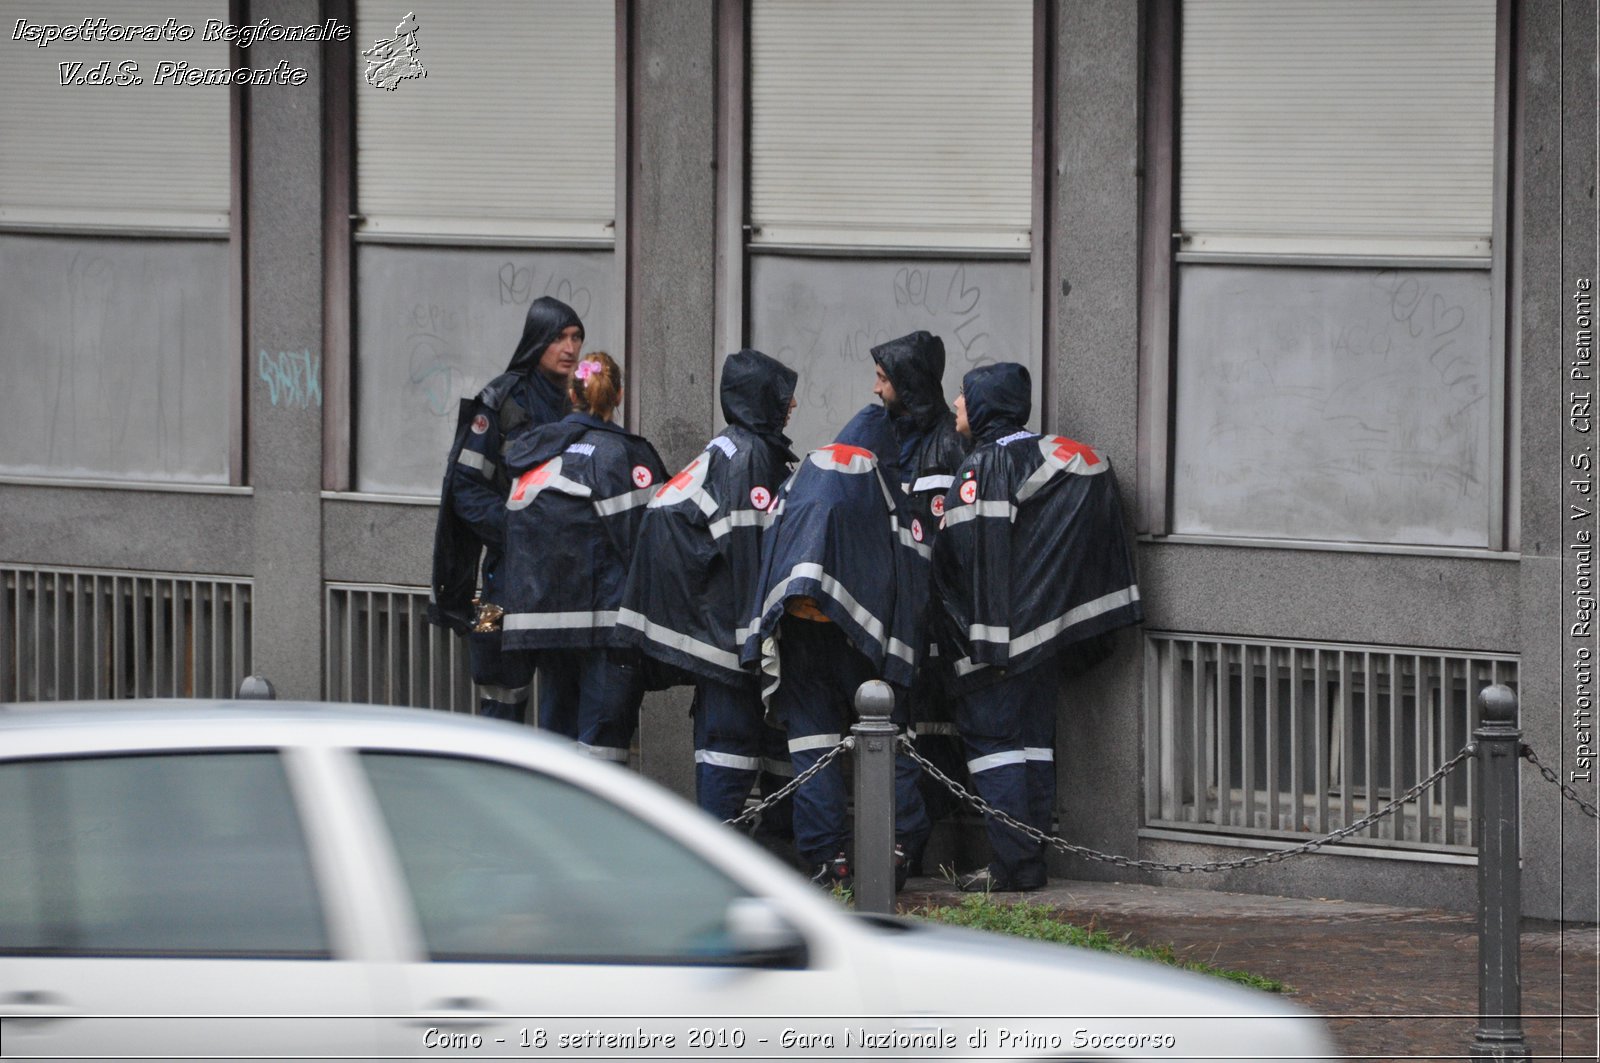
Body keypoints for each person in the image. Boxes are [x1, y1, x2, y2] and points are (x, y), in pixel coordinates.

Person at [930, 362, 1144, 892]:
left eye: (963, 396)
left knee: (996, 746)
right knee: (1034, 745)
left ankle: (1012, 867)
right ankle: (1027, 863)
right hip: (1044, 640)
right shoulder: (1057, 454)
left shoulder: (984, 464)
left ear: (983, 404)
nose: (956, 405)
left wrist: (967, 639)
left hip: (992, 642)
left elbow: (963, 558)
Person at [742, 401, 931, 890]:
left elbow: (771, 546)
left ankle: (828, 859)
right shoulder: (884, 482)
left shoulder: (802, 475)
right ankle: (897, 849)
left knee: (812, 744)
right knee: (888, 737)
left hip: (797, 629)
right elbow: (910, 569)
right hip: (861, 639)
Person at [618, 349, 800, 831]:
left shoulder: (730, 449)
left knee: (732, 745)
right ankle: (741, 859)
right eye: (784, 395)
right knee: (733, 747)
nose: (793, 406)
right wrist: (756, 639)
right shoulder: (751, 458)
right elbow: (751, 552)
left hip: (717, 631)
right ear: (762, 398)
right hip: (732, 641)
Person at [496, 351, 667, 761]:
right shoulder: (622, 454)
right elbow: (649, 542)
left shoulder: (537, 449)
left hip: (546, 624)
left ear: (570, 395)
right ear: (619, 395)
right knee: (602, 747)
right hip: (606, 622)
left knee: (557, 744)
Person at [429, 296, 584, 722]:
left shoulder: (583, 402)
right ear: (538, 342)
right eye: (559, 338)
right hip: (508, 578)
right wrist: (519, 532)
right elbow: (466, 487)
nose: (570, 348)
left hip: (566, 580)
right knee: (503, 695)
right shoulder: (500, 400)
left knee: (565, 700)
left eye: (576, 337)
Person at [868, 331, 972, 856]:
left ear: (907, 386)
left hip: (937, 616)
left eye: (883, 379)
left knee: (935, 728)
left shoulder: (951, 445)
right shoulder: (879, 437)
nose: (875, 388)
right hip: (892, 613)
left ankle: (928, 839)